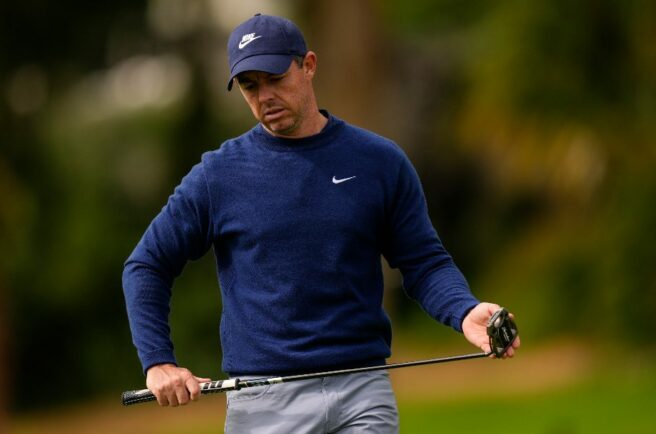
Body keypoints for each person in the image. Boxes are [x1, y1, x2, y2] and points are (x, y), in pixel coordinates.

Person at [123, 13, 520, 433]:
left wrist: (465, 310)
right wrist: (158, 361)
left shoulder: (378, 162)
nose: (265, 96)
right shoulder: (218, 176)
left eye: (275, 78)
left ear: (308, 65)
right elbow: (146, 264)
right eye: (250, 86)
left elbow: (423, 261)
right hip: (265, 404)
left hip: (362, 394)